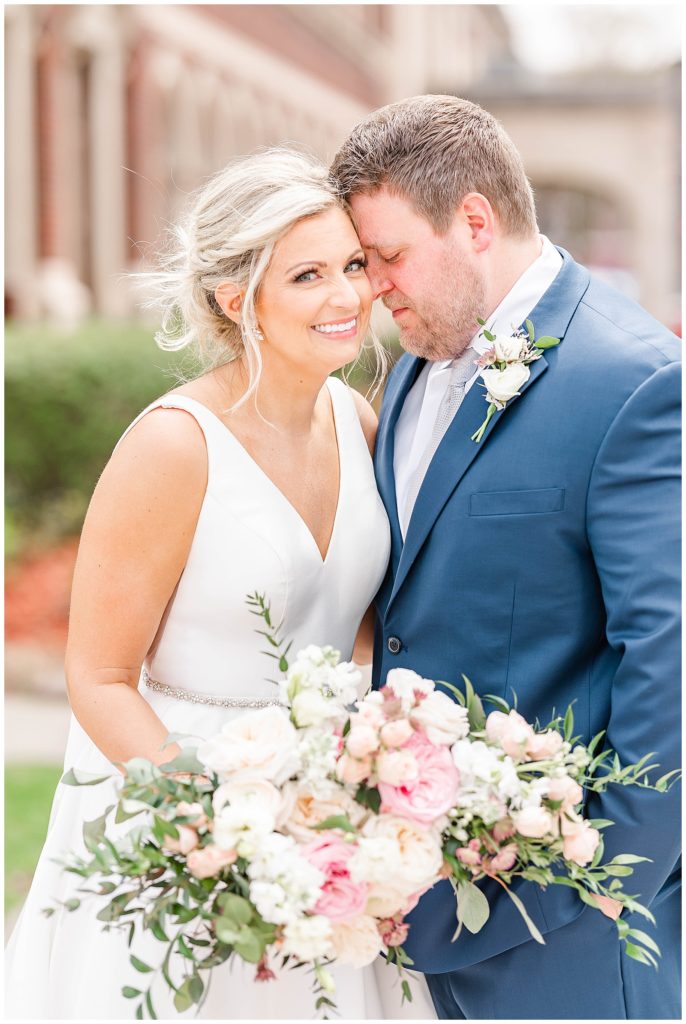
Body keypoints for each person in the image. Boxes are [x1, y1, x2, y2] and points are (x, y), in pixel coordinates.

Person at [5, 148, 399, 1020]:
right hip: (186, 812)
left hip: (327, 814)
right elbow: (99, 676)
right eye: (306, 276)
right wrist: (215, 824)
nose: (346, 296)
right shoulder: (173, 446)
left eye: (352, 265)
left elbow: (360, 624)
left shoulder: (357, 418)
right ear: (236, 299)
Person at [331, 94, 681, 1021]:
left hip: (564, 939)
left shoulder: (637, 382)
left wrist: (596, 890)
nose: (372, 287)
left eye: (388, 255)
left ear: (476, 222)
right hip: (411, 913)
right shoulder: (410, 367)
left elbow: (670, 664)